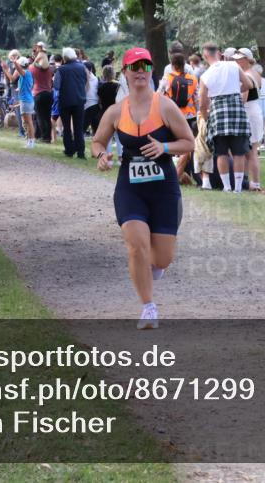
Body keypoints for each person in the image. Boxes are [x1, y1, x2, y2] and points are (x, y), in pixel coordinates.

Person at [92, 47, 196, 329]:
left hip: (163, 188)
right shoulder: (116, 111)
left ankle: (152, 270)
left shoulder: (164, 106)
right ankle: (148, 308)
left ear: (151, 71)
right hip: (131, 188)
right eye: (134, 66)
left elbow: (188, 142)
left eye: (145, 66)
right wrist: (101, 155)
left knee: (162, 258)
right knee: (136, 246)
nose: (140, 71)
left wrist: (163, 146)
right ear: (125, 72)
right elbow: (98, 141)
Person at [199, 41, 253, 193]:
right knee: (239, 152)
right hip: (236, 108)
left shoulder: (205, 75)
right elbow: (248, 84)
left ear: (205, 56)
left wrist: (205, 117)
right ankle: (237, 188)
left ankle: (227, 187)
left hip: (217, 111)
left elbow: (202, 102)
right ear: (219, 52)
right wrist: (235, 90)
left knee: (221, 152)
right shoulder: (233, 66)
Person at [159, 49, 200, 185]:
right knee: (188, 145)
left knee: (172, 145)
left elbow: (158, 95)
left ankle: (173, 174)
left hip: (172, 116)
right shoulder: (193, 79)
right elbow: (197, 98)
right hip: (190, 116)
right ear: (184, 64)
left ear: (173, 65)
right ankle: (185, 173)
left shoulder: (168, 79)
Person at [233, 48, 265, 191]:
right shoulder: (255, 73)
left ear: (246, 59)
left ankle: (255, 183)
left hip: (249, 113)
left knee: (250, 152)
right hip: (254, 111)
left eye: (238, 59)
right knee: (250, 151)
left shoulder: (247, 75)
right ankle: (248, 182)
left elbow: (243, 98)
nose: (236, 61)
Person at [54, 47, 89, 159]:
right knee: (79, 127)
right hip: (79, 100)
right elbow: (86, 82)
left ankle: (69, 150)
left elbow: (56, 86)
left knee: (67, 127)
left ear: (64, 57)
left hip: (65, 101)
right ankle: (81, 152)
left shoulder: (61, 69)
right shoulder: (82, 67)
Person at [9, 56, 36, 147]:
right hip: (25, 100)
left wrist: (15, 62)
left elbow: (19, 69)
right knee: (26, 122)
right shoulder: (24, 75)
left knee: (29, 122)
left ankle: (31, 141)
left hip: (26, 101)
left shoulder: (26, 73)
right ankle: (29, 141)